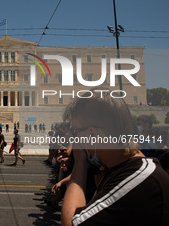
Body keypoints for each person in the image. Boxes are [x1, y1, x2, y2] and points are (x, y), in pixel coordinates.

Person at [61, 88, 169, 226]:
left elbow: (70, 223)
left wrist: (80, 163)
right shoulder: (122, 170)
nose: (74, 138)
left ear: (93, 134)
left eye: (75, 131)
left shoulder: (139, 179)